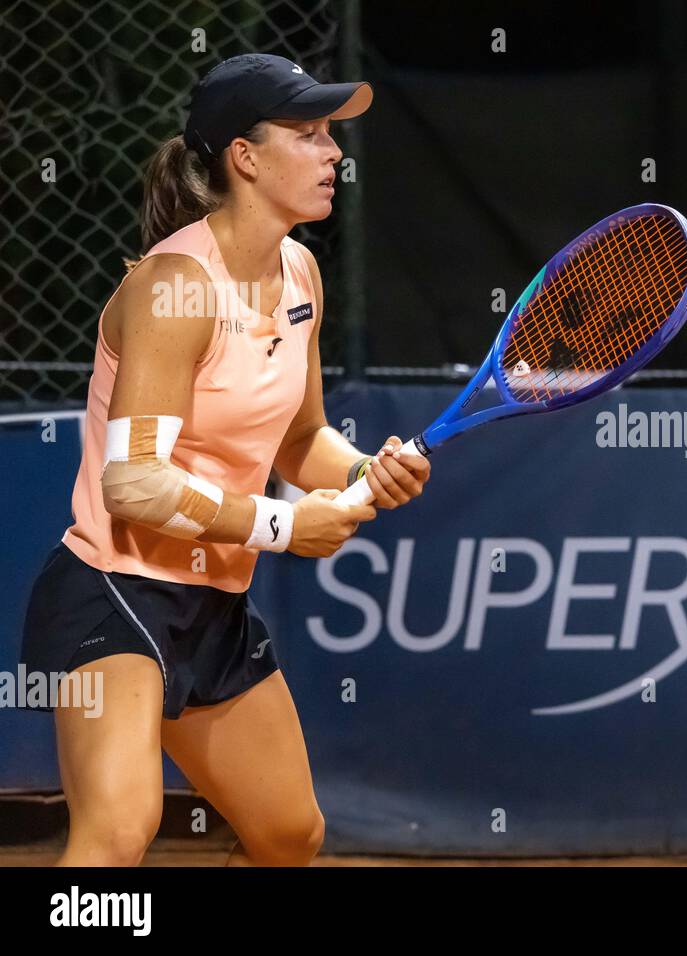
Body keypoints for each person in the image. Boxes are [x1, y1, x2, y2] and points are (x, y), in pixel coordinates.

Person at [18, 53, 429, 866]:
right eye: (308, 134)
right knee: (118, 831)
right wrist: (285, 526)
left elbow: (301, 440)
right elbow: (134, 483)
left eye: (331, 135)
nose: (333, 152)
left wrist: (361, 473)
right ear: (244, 156)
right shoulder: (174, 287)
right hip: (115, 592)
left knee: (288, 835)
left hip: (215, 605)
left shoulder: (300, 272)